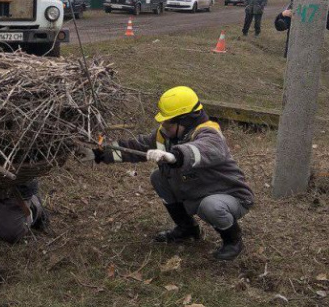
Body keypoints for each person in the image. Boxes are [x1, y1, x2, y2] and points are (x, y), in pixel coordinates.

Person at [93, 86, 254, 261]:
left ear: (184, 121)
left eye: (168, 122)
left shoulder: (209, 133)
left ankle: (233, 240)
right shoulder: (165, 136)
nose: (163, 126)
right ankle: (188, 229)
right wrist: (102, 154)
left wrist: (176, 155)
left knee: (211, 206)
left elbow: (204, 149)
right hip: (198, 189)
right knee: (158, 177)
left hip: (229, 196)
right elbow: (135, 148)